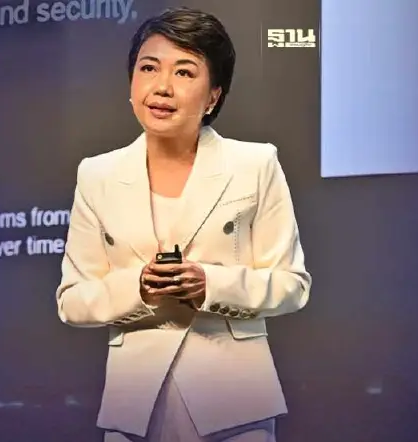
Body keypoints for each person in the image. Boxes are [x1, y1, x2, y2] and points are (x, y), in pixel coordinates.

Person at [55, 7, 311, 442]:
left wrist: (210, 284)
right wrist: (139, 288)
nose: (162, 87)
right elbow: (72, 300)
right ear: (131, 83)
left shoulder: (255, 164)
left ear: (213, 96)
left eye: (184, 72)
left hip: (234, 402)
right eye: (148, 68)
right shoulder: (97, 174)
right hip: (135, 405)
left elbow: (292, 285)